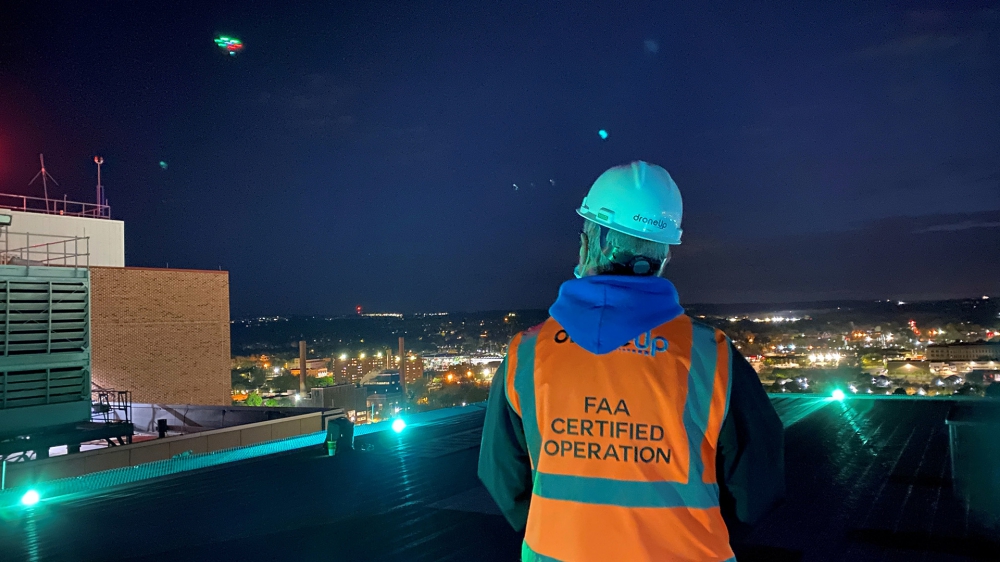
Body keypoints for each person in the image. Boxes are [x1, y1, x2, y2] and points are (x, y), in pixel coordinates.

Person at [478, 161, 785, 562]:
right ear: (663, 255)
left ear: (589, 243)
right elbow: (756, 487)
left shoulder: (527, 354)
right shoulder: (713, 356)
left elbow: (502, 477)